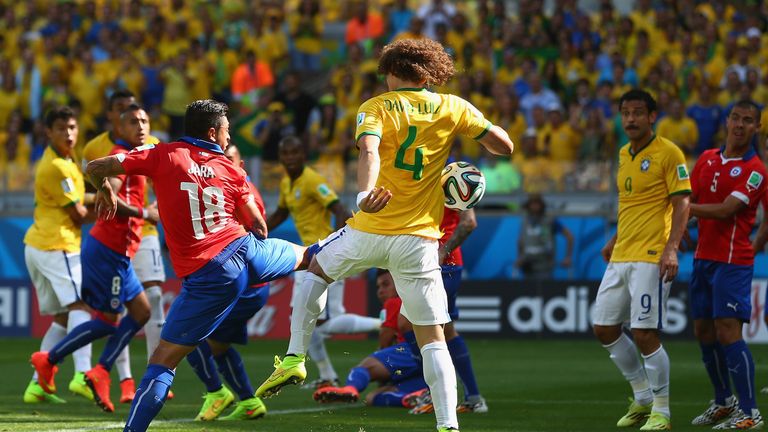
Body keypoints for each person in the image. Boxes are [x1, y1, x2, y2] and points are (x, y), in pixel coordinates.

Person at [255, 38, 513, 432]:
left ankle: (294, 356)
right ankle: (448, 425)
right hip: (420, 242)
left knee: (314, 267)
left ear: (391, 71)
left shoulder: (375, 107)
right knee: (433, 339)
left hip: (370, 228)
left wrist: (363, 194)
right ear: (431, 72)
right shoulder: (454, 106)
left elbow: (369, 152)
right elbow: (504, 146)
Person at [84, 100, 309, 432]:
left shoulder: (161, 154)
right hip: (248, 252)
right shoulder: (232, 168)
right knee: (309, 255)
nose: (227, 137)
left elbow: (94, 167)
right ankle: (296, 355)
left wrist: (104, 189)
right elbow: (260, 227)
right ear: (212, 132)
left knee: (163, 361)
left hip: (211, 273)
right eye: (227, 131)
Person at [30, 105, 160, 413]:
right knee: (106, 322)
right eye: (132, 122)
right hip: (107, 251)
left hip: (122, 253)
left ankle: (99, 371)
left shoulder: (141, 153)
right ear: (120, 128)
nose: (140, 126)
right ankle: (49, 360)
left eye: (144, 120)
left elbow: (109, 187)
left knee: (142, 311)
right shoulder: (119, 154)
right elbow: (112, 189)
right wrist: (144, 212)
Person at [592, 89, 691, 431]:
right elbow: (631, 205)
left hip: (652, 256)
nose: (630, 119)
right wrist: (614, 238)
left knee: (644, 332)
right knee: (604, 327)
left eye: (638, 112)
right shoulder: (623, 153)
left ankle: (662, 411)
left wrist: (672, 247)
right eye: (625, 113)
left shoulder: (669, 153)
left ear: (652, 116)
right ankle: (642, 395)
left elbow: (682, 203)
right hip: (622, 253)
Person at [267, 135, 379, 388]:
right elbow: (281, 212)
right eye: (286, 153)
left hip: (324, 256)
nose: (291, 158)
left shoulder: (312, 180)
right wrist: (256, 230)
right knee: (303, 317)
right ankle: (327, 375)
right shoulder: (287, 183)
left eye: (295, 152)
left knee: (325, 321)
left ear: (304, 156)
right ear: (281, 158)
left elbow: (339, 209)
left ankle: (385, 322)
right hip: (306, 258)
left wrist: (338, 246)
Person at [79, 90, 165, 404]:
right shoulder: (96, 148)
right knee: (118, 311)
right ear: (114, 117)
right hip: (116, 235)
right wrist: (102, 195)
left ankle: (155, 372)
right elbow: (94, 185)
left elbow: (162, 180)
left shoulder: (152, 144)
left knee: (152, 298)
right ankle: (126, 380)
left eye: (140, 115)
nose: (133, 118)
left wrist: (159, 206)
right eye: (121, 111)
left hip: (146, 231)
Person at [688, 100, 766, 429]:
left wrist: (685, 211)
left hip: (732, 260)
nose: (739, 125)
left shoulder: (756, 170)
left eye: (748, 121)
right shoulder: (706, 158)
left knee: (728, 331)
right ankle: (723, 400)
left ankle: (750, 413)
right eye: (735, 117)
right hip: (703, 258)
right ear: (726, 120)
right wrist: (679, 228)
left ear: (756, 128)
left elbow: (724, 210)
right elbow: (685, 194)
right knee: (703, 330)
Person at [185, 144, 269, 422]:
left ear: (240, 164)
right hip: (244, 284)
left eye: (228, 160)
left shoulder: (241, 193)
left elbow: (250, 237)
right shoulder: (234, 189)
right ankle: (248, 401)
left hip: (243, 285)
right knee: (217, 346)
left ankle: (217, 392)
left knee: (189, 338)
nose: (222, 165)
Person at [22, 106, 93, 404]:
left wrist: (101, 196)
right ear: (48, 132)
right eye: (62, 128)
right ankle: (83, 375)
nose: (69, 133)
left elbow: (79, 197)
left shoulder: (66, 158)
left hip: (39, 246)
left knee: (63, 316)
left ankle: (37, 384)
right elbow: (77, 214)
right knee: (81, 307)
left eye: (73, 127)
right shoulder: (55, 166)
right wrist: (118, 207)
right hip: (57, 245)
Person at [313, 269, 427, 407]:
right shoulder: (418, 299)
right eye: (378, 287)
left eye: (386, 285)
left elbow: (386, 336)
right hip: (428, 360)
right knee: (373, 397)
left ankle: (350, 388)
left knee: (365, 368)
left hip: (409, 350)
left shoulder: (394, 302)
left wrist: (382, 361)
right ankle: (413, 398)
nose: (380, 291)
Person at [516, 193, 574, 279]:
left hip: (545, 267)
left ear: (541, 205)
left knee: (544, 290)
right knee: (528, 291)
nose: (534, 206)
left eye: (537, 203)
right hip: (527, 266)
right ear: (528, 205)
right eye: (532, 204)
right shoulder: (525, 221)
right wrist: (520, 257)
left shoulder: (549, 221)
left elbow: (569, 236)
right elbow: (521, 241)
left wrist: (568, 257)